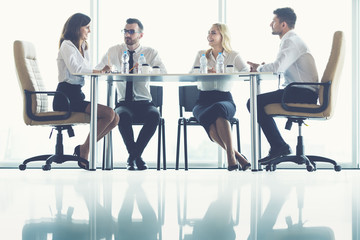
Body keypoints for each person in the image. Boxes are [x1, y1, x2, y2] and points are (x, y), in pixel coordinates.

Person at [247, 7, 319, 164]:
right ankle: (278, 146)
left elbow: (276, 68)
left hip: (301, 92)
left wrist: (259, 68)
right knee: (256, 102)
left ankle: (279, 147)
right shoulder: (292, 40)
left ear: (283, 24)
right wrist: (262, 66)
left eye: (274, 21)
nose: (270, 24)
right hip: (301, 91)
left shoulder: (290, 41)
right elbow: (280, 67)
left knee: (253, 102)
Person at [96, 18, 167, 171]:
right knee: (122, 116)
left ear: (140, 35)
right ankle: (137, 157)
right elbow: (98, 70)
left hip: (145, 102)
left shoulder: (150, 53)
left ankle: (132, 157)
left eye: (131, 31)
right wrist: (105, 70)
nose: (127, 35)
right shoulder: (114, 50)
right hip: (124, 103)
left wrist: (148, 69)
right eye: (125, 31)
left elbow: (163, 73)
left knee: (155, 116)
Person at [53, 13, 119, 170]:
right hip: (65, 97)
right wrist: (99, 70)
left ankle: (84, 148)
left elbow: (86, 70)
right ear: (77, 28)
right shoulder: (66, 45)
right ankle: (85, 150)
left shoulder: (83, 46)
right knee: (109, 114)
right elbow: (76, 69)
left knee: (115, 119)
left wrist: (103, 71)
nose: (89, 31)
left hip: (76, 95)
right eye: (87, 27)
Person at [191, 23, 251, 171]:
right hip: (203, 100)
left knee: (219, 110)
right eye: (208, 33)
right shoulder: (201, 55)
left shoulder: (233, 55)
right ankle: (236, 155)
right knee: (212, 119)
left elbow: (246, 72)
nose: (209, 36)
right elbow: (191, 73)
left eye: (213, 33)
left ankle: (231, 157)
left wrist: (226, 73)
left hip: (224, 99)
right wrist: (205, 72)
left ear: (222, 36)